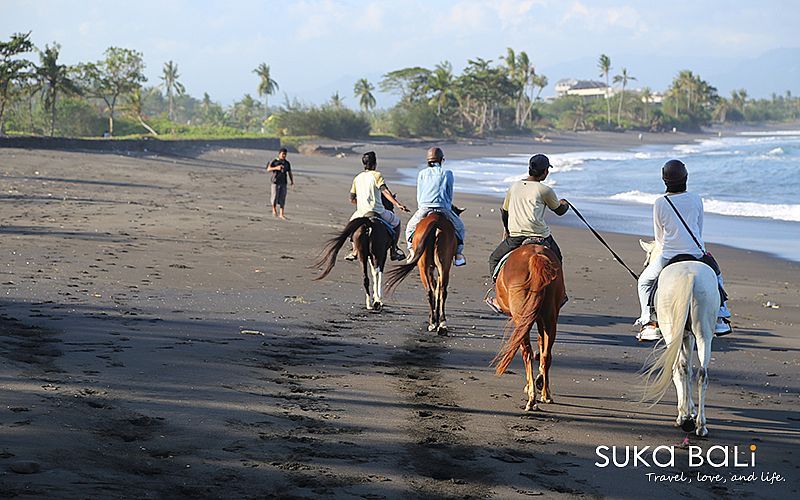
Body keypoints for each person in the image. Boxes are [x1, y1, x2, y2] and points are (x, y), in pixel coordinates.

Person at [635, 159, 732, 341]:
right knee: (717, 276)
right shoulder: (696, 199)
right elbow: (699, 229)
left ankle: (649, 321)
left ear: (664, 180)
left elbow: (659, 238)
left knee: (644, 282)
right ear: (686, 178)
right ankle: (720, 316)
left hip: (669, 255)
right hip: (696, 252)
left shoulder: (660, 202)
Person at [485, 154, 569, 312]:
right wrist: (565, 204)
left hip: (516, 236)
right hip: (540, 236)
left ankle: (498, 298)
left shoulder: (514, 186)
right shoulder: (545, 190)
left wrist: (507, 230)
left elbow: (504, 212)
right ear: (545, 171)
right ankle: (561, 293)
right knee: (557, 257)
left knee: (494, 259)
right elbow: (559, 211)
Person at [405, 147, 466, 266]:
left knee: (410, 229)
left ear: (428, 160)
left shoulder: (422, 173)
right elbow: (449, 193)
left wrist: (422, 206)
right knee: (460, 228)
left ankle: (412, 251)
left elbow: (420, 194)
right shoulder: (448, 173)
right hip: (443, 207)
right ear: (441, 159)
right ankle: (458, 255)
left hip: (424, 208)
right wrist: (447, 205)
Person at [344, 151, 409, 262]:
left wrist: (361, 203)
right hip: (378, 211)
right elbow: (385, 191)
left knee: (351, 226)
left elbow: (352, 199)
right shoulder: (377, 175)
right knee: (396, 222)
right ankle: (394, 250)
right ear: (375, 164)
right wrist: (397, 204)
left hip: (361, 212)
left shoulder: (357, 178)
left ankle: (354, 250)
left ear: (364, 164)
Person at [267, 148, 294, 218]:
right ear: (279, 154)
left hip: (283, 182)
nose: (284, 155)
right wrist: (276, 168)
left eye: (285, 154)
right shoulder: (274, 161)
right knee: (274, 197)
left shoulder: (287, 163)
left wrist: (292, 181)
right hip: (275, 182)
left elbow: (289, 172)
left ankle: (281, 214)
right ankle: (274, 209)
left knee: (282, 198)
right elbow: (268, 169)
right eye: (283, 154)